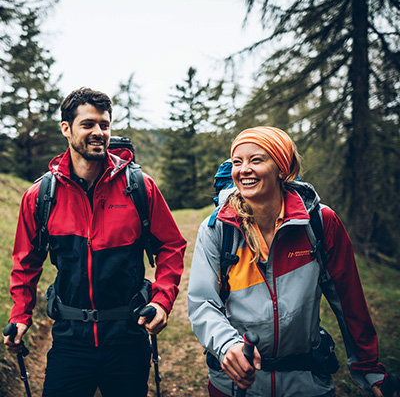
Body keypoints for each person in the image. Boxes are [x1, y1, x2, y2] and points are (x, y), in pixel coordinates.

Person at [3, 87, 187, 397]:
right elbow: (26, 261)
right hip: (70, 339)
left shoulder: (140, 187)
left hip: (128, 334)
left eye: (104, 124)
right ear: (66, 129)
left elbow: (171, 246)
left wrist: (161, 300)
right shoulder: (40, 196)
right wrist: (20, 316)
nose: (98, 132)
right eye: (88, 124)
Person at [188, 126, 394, 396]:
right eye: (237, 162)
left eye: (256, 159)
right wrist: (227, 345)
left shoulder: (320, 223)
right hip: (237, 385)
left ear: (282, 168)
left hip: (307, 382)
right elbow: (202, 303)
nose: (243, 169)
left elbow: (349, 302)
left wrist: (369, 369)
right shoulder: (218, 228)